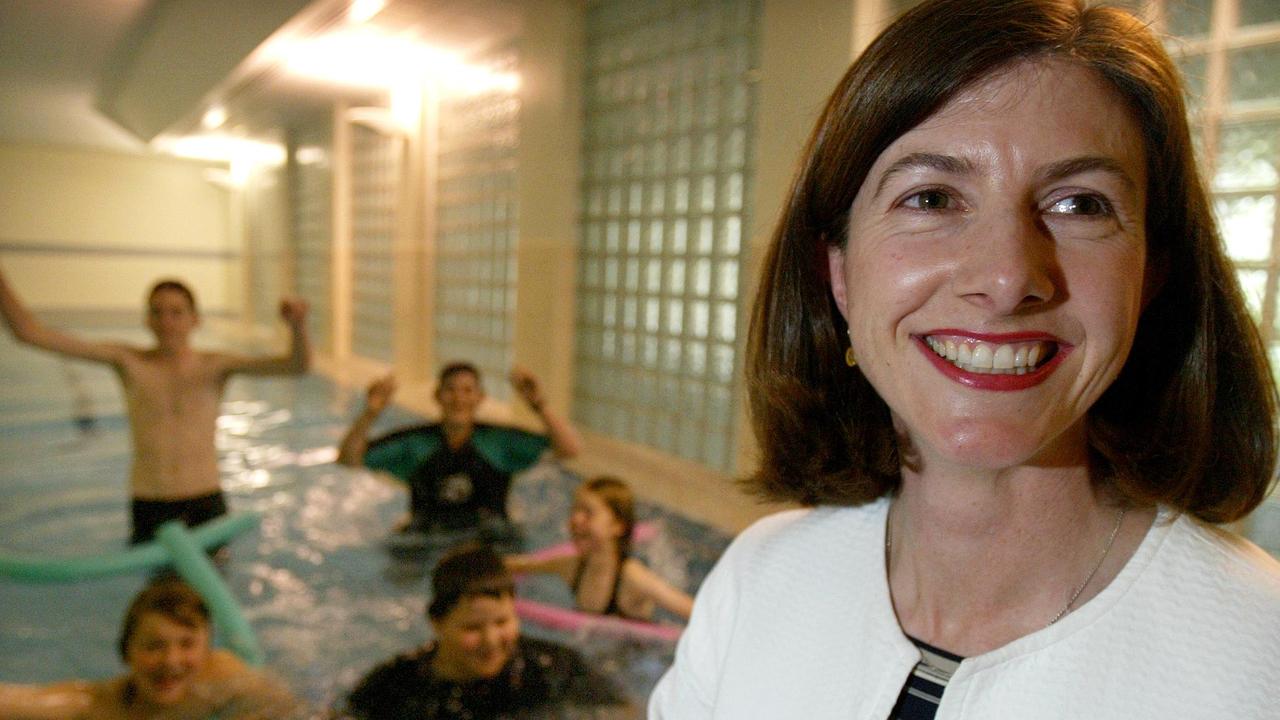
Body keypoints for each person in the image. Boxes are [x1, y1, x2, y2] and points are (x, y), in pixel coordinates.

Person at [650, 0, 1280, 718]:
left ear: (1151, 276)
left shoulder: (1261, 652)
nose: (1008, 278)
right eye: (932, 197)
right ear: (840, 271)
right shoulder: (760, 579)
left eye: (1080, 205)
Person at [0, 266, 310, 544]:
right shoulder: (129, 363)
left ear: (195, 320)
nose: (166, 322)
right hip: (151, 503)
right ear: (147, 319)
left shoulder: (215, 366)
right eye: (157, 312)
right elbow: (28, 332)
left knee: (205, 604)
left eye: (176, 313)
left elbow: (295, 366)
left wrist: (297, 327)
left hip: (205, 501)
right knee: (154, 603)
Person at [342, 542, 631, 719]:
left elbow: (624, 713)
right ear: (437, 623)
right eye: (472, 628)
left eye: (503, 622)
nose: (491, 641)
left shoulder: (554, 667)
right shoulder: (393, 689)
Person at [0, 577, 302, 719]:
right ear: (126, 653)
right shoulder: (101, 707)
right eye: (154, 646)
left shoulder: (224, 680)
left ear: (207, 651)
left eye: (186, 644)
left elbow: (288, 708)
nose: (171, 661)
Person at [337, 362, 582, 536]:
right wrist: (370, 413)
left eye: (467, 390)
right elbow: (348, 459)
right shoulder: (415, 444)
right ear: (437, 396)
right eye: (450, 390)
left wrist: (539, 405)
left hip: (491, 539)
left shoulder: (499, 442)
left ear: (481, 398)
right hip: (423, 538)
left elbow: (570, 450)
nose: (458, 398)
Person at [506, 476, 694, 621]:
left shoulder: (632, 577)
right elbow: (522, 565)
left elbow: (693, 611)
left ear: (617, 526)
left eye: (588, 513)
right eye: (575, 510)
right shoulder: (572, 567)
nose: (576, 519)